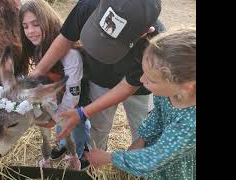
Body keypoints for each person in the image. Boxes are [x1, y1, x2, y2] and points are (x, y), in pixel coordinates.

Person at [29, 0, 165, 152]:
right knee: (98, 127)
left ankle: (139, 162)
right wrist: (38, 71)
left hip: (139, 89)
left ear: (144, 32)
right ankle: (97, 155)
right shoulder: (88, 5)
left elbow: (127, 86)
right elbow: (66, 37)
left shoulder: (154, 45)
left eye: (110, 44)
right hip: (99, 78)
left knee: (141, 129)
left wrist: (82, 112)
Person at [85, 28, 196, 179]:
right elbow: (157, 116)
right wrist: (142, 139)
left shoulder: (191, 123)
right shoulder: (167, 93)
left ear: (185, 86)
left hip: (175, 170)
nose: (142, 80)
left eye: (152, 80)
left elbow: (153, 160)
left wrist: (110, 158)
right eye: (143, 72)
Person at [19, 0, 91, 169]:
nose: (30, 31)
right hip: (57, 97)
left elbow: (73, 94)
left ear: (48, 21)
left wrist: (55, 118)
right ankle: (64, 145)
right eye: (25, 26)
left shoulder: (71, 54)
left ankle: (80, 154)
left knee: (77, 126)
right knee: (61, 128)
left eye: (36, 24)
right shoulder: (37, 48)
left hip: (76, 100)